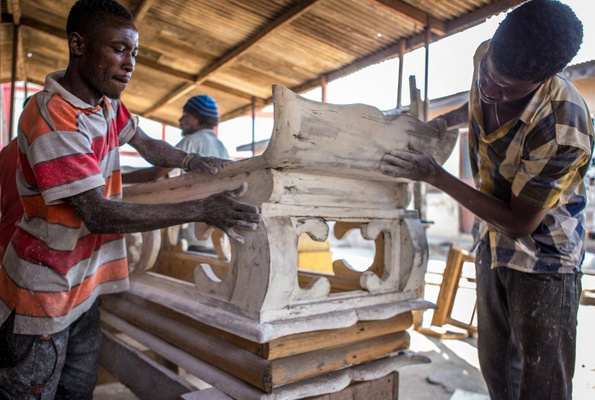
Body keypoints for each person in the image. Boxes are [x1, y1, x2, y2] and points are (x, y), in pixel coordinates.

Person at [0, 1, 260, 398]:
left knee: (77, 389)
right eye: (119, 49)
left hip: (84, 287)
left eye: (134, 53)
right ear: (78, 45)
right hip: (44, 291)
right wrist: (203, 208)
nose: (130, 63)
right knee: (33, 390)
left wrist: (192, 159)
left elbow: (148, 145)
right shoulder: (52, 115)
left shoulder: (105, 104)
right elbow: (97, 213)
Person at [380, 1, 591, 399]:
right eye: (490, 75)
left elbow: (520, 223)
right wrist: (441, 124)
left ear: (547, 79)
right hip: (493, 240)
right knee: (497, 368)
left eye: (509, 88)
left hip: (545, 256)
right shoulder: (488, 55)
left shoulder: (562, 125)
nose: (492, 89)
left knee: (542, 383)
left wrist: (435, 175)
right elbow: (476, 105)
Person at [123, 95, 230, 252]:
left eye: (186, 115)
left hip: (192, 234)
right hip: (214, 237)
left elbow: (157, 173)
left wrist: (118, 177)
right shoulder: (221, 147)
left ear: (199, 118)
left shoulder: (191, 141)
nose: (180, 120)